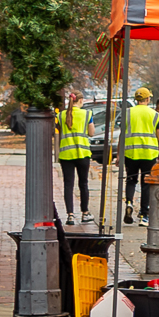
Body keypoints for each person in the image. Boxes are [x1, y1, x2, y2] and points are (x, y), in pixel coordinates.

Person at [121, 88, 159, 224]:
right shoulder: (155, 114)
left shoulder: (127, 113)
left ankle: (130, 202)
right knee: (146, 184)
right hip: (149, 154)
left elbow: (122, 134)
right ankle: (144, 215)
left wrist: (120, 154)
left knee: (131, 180)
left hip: (131, 153)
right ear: (148, 99)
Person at [55, 91, 93, 224]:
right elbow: (91, 133)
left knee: (68, 184)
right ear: (81, 101)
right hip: (82, 153)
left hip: (66, 154)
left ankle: (70, 215)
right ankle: (85, 213)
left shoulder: (60, 115)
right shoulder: (87, 114)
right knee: (83, 183)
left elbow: (59, 131)